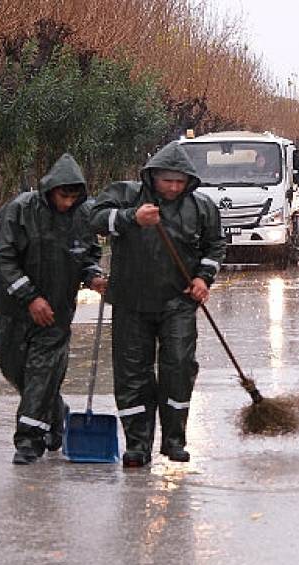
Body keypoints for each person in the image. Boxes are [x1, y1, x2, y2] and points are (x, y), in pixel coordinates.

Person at [90, 142, 225, 468]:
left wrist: (203, 277)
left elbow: (215, 246)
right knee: (132, 374)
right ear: (154, 177)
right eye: (168, 181)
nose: (174, 188)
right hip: (130, 301)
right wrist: (130, 218)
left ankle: (174, 440)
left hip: (178, 302)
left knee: (178, 366)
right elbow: (94, 219)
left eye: (180, 182)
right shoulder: (126, 195)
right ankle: (137, 444)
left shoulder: (201, 207)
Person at [0, 153, 106, 465]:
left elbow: (89, 254)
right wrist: (30, 297)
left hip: (55, 315)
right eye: (62, 195)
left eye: (73, 197)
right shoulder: (21, 210)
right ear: (50, 189)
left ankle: (29, 441)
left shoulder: (84, 215)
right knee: (16, 371)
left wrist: (94, 275)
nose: (67, 203)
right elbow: (6, 258)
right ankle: (56, 412)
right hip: (14, 310)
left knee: (41, 375)